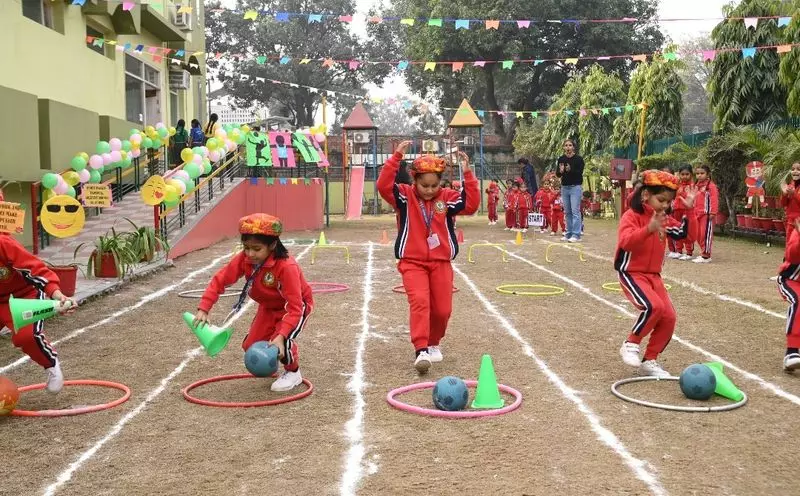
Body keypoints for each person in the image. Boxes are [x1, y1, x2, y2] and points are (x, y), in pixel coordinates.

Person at [377, 141, 480, 374]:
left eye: (434, 185)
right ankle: (421, 349)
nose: (430, 190)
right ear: (414, 180)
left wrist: (467, 173)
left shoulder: (448, 197)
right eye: (424, 185)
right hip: (412, 261)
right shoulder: (404, 196)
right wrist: (396, 158)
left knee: (442, 310)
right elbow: (383, 187)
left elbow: (471, 205)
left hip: (441, 262)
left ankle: (434, 342)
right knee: (420, 302)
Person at [194, 213, 313, 391]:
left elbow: (295, 308)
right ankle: (274, 360)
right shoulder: (245, 259)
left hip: (294, 308)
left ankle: (293, 372)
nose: (250, 254)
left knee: (281, 340)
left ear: (272, 245)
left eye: (256, 249)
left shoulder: (286, 267)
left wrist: (281, 336)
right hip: (268, 306)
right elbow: (221, 279)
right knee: (251, 347)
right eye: (246, 247)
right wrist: (204, 308)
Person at [616, 170, 697, 377]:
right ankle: (631, 343)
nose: (665, 205)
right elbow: (626, 242)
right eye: (661, 200)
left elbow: (687, 236)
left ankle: (650, 360)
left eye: (668, 202)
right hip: (631, 273)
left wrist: (690, 211)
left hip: (654, 276)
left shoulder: (663, 218)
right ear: (645, 195)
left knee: (669, 316)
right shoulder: (631, 216)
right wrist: (649, 229)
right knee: (654, 307)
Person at [0, 233, 77, 393]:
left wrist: (56, 294)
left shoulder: (4, 243)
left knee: (27, 337)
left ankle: (51, 364)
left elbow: (35, 268)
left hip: (23, 295)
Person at [776, 217, 800, 371]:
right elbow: (792, 255)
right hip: (790, 280)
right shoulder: (797, 229)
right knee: (799, 301)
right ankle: (791, 352)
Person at [555, 138, 585, 242]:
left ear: (573, 147)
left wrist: (570, 170)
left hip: (575, 187)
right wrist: (561, 171)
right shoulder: (561, 159)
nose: (568, 147)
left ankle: (576, 234)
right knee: (567, 212)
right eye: (566, 145)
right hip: (565, 187)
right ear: (563, 147)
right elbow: (558, 174)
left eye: (570, 145)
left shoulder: (579, 159)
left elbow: (579, 172)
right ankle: (568, 233)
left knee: (575, 211)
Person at [667, 165, 696, 261]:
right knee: (678, 230)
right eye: (682, 174)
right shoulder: (677, 185)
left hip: (686, 211)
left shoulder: (692, 187)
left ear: (691, 175)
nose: (684, 176)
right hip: (676, 210)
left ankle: (689, 252)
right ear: (679, 175)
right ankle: (679, 251)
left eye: (687, 174)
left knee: (687, 231)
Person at [692, 164, 718, 263]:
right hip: (696, 214)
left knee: (705, 234)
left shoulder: (711, 186)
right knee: (698, 235)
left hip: (706, 215)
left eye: (702, 173)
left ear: (708, 174)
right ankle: (702, 252)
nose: (699, 175)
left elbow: (714, 199)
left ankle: (706, 256)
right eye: (697, 173)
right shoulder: (696, 186)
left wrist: (713, 212)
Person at [780, 162, 800, 239]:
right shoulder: (790, 186)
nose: (795, 171)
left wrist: (794, 193)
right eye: (793, 169)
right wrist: (784, 194)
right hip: (790, 222)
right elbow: (783, 204)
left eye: (798, 169)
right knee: (790, 245)